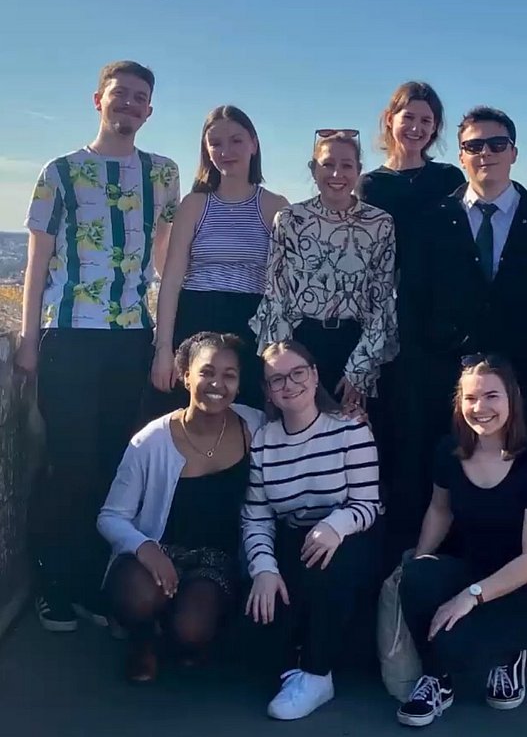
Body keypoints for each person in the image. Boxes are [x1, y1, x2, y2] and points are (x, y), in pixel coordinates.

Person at [16, 60, 180, 633]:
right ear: (98, 100)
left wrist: (164, 343)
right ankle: (54, 583)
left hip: (131, 338)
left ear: (150, 111)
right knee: (69, 463)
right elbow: (37, 264)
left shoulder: (162, 173)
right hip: (69, 335)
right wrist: (28, 339)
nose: (129, 104)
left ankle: (93, 582)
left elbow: (166, 263)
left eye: (139, 98)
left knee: (114, 465)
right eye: (120, 94)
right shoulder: (60, 172)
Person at [406, 105, 527, 459]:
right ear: (461, 157)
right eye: (474, 146)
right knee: (449, 479)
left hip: (526, 385)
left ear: (513, 153)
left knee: (521, 478)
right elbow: (412, 301)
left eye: (497, 144)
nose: (485, 152)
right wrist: (427, 370)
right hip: (447, 387)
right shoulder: (431, 222)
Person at [396, 356, 527, 728]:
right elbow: (440, 511)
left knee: (458, 644)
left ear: (512, 399)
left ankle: (511, 654)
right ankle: (436, 679)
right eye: (470, 398)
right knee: (417, 576)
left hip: (524, 589)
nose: (480, 407)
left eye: (491, 396)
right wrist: (421, 562)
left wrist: (471, 596)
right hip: (468, 568)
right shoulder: (449, 451)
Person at [97, 332, 264, 682]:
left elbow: (304, 423)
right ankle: (142, 640)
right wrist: (145, 548)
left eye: (229, 375)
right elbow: (111, 517)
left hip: (215, 562)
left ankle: (179, 637)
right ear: (186, 376)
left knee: (191, 629)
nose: (217, 384)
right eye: (206, 372)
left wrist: (342, 413)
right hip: (158, 550)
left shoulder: (256, 427)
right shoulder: (151, 440)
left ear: (239, 384)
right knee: (140, 596)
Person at [242, 340, 382, 720]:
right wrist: (263, 569)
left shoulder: (350, 428)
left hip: (349, 535)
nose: (289, 384)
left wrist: (335, 526)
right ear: (268, 390)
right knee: (265, 613)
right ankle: (292, 666)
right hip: (294, 537)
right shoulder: (264, 441)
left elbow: (368, 504)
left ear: (315, 374)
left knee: (328, 566)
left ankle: (318, 674)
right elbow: (256, 516)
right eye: (277, 379)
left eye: (298, 373)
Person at [356, 81, 465, 556]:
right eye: (409, 118)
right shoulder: (372, 185)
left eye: (426, 120)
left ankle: (435, 551)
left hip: (437, 329)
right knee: (391, 439)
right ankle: (392, 554)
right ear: (390, 120)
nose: (417, 128)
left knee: (437, 437)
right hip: (385, 328)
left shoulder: (448, 179)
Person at [150, 105, 289, 413]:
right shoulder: (194, 204)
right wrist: (163, 349)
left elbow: (284, 288)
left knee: (247, 420)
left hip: (250, 325)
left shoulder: (275, 207)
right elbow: (171, 281)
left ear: (253, 144)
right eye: (216, 143)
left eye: (236, 140)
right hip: (195, 320)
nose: (226, 151)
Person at [250, 131, 397, 415]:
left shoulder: (380, 223)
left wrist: (360, 369)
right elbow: (276, 294)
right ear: (313, 169)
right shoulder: (290, 220)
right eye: (328, 164)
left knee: (351, 431)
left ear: (358, 170)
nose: (337, 174)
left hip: (354, 344)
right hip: (301, 343)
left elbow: (382, 300)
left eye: (346, 165)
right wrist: (285, 366)